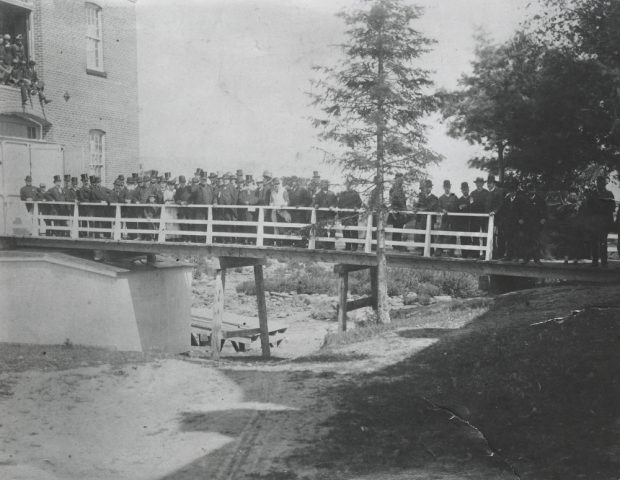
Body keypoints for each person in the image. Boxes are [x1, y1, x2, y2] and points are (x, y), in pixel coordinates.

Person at [583, 175, 616, 267]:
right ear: (597, 183)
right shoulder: (592, 194)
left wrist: (610, 222)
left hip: (604, 221)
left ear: (605, 183)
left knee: (603, 242)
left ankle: (604, 261)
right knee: (594, 241)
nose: (600, 185)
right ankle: (595, 261)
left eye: (602, 183)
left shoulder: (609, 194)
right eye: (599, 183)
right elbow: (587, 208)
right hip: (594, 221)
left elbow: (612, 208)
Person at [517, 182, 547, 264]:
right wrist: (519, 219)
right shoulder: (522, 199)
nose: (531, 191)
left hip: (536, 224)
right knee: (526, 241)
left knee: (536, 241)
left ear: (535, 190)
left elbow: (545, 210)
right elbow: (517, 210)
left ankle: (537, 259)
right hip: (526, 224)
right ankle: (526, 259)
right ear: (527, 191)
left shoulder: (540, 200)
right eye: (529, 190)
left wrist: (543, 218)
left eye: (533, 190)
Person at [556, 187, 583, 264]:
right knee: (566, 243)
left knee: (576, 242)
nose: (573, 197)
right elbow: (559, 214)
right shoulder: (564, 204)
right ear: (569, 196)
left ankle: (575, 259)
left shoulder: (579, 204)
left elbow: (582, 215)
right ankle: (566, 258)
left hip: (576, 226)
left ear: (576, 196)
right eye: (571, 195)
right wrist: (564, 206)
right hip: (567, 226)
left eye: (574, 195)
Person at [413, 179, 439, 254]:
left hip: (430, 220)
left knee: (430, 235)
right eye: (426, 187)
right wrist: (415, 208)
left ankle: (431, 252)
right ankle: (422, 251)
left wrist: (420, 209)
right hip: (421, 220)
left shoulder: (434, 198)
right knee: (421, 235)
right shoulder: (420, 197)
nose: (427, 189)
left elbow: (430, 208)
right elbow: (416, 205)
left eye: (429, 187)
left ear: (431, 188)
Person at [338, 175, 363, 251]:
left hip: (352, 215)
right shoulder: (343, 194)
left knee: (354, 230)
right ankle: (347, 246)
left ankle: (354, 246)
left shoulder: (355, 193)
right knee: (345, 231)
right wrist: (340, 213)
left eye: (350, 184)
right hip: (344, 215)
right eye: (347, 184)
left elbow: (359, 203)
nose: (348, 186)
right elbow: (339, 204)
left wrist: (356, 207)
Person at [501, 178, 522, 261]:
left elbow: (523, 210)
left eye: (513, 192)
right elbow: (504, 210)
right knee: (508, 239)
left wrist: (521, 219)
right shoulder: (506, 200)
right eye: (510, 192)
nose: (511, 193)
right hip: (508, 223)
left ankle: (516, 256)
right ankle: (508, 256)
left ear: (515, 192)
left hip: (517, 223)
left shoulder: (520, 199)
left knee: (516, 239)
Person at [485, 175, 505, 259]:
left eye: (490, 183)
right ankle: (493, 253)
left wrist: (494, 212)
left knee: (499, 236)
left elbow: (500, 204)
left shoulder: (499, 192)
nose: (488, 185)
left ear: (493, 183)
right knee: (490, 236)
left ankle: (499, 254)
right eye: (487, 183)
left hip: (498, 218)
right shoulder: (488, 193)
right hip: (490, 218)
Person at [437, 180, 458, 256]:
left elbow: (457, 207)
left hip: (453, 219)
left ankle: (451, 251)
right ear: (443, 187)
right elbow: (438, 207)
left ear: (450, 187)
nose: (447, 188)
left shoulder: (454, 196)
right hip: (445, 218)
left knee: (453, 234)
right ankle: (439, 250)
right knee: (441, 233)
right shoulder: (441, 198)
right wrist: (442, 210)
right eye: (446, 187)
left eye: (448, 187)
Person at [314, 179, 338, 249]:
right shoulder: (318, 194)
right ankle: (322, 245)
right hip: (321, 215)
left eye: (326, 184)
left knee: (332, 229)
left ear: (328, 185)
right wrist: (316, 205)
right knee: (322, 229)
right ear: (321, 185)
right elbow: (315, 202)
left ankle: (331, 245)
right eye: (323, 184)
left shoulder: (332, 193)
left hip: (330, 214)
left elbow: (336, 202)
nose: (324, 185)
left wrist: (333, 206)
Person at [470, 177, 490, 257]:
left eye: (480, 183)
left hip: (484, 217)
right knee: (475, 235)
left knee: (485, 235)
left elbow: (488, 205)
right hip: (475, 217)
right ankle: (476, 253)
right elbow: (471, 205)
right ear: (476, 184)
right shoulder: (472, 193)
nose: (479, 184)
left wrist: (486, 214)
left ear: (483, 184)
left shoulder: (487, 193)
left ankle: (485, 253)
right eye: (477, 183)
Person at [455, 181, 474, 258]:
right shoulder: (459, 200)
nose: (465, 191)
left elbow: (474, 208)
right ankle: (464, 254)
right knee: (463, 238)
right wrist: (460, 207)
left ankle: (471, 253)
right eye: (463, 189)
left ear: (468, 189)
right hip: (462, 222)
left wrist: (470, 204)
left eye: (466, 189)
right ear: (461, 190)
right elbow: (455, 209)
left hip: (470, 221)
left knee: (470, 238)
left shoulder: (471, 199)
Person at [269, 177, 291, 244]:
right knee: (275, 226)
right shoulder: (272, 192)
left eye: (277, 184)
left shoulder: (283, 191)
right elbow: (271, 202)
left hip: (282, 210)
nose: (276, 185)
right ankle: (277, 241)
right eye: (275, 184)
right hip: (275, 211)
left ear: (279, 184)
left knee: (285, 224)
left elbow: (287, 201)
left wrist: (284, 205)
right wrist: (272, 206)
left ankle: (286, 241)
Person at [389, 173, 408, 249]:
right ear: (396, 179)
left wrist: (405, 209)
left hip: (401, 211)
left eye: (402, 179)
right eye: (400, 179)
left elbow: (403, 200)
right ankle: (396, 244)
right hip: (397, 211)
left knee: (399, 227)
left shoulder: (400, 189)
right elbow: (394, 200)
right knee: (397, 227)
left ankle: (397, 244)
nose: (401, 181)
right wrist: (401, 208)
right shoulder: (394, 189)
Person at [174, 175, 193, 241]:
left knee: (190, 224)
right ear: (179, 183)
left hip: (189, 210)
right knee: (182, 224)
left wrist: (187, 202)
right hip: (181, 210)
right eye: (181, 182)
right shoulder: (178, 190)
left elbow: (192, 197)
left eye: (184, 182)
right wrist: (180, 202)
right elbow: (176, 199)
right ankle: (185, 238)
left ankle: (190, 238)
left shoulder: (189, 188)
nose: (183, 183)